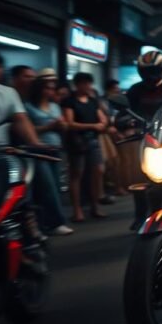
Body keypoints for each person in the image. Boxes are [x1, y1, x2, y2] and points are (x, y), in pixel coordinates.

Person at [25, 77, 72, 235]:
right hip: (39, 151)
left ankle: (47, 222)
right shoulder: (29, 107)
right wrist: (49, 126)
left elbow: (63, 127)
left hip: (56, 148)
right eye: (47, 88)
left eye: (52, 88)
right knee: (48, 186)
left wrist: (62, 126)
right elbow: (29, 130)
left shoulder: (54, 106)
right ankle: (56, 222)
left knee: (56, 186)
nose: (51, 91)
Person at [62, 72, 109, 222]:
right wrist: (93, 125)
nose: (87, 86)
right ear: (77, 85)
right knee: (77, 175)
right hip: (77, 142)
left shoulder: (92, 101)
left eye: (89, 83)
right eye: (84, 83)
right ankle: (77, 210)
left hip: (93, 141)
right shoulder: (69, 101)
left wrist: (102, 124)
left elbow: (102, 118)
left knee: (98, 172)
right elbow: (70, 123)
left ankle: (95, 205)